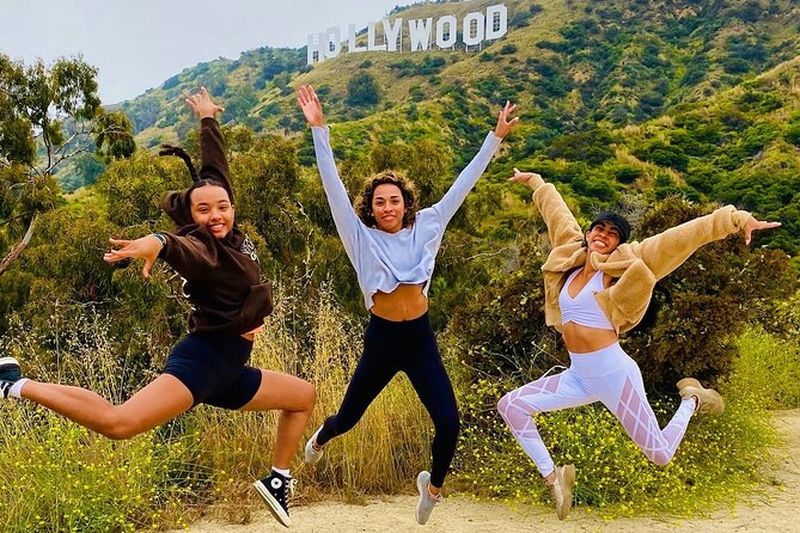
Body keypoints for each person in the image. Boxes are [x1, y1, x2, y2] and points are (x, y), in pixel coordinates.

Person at [0, 88, 315, 528]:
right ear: (191, 216)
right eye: (203, 210)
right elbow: (177, 246)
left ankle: (278, 480)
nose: (216, 215)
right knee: (119, 422)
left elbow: (214, 170)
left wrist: (207, 120)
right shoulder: (204, 248)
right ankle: (13, 385)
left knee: (302, 396)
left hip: (230, 371)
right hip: (203, 363)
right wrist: (157, 242)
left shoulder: (229, 232)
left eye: (222, 206)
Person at [497, 169, 781, 520]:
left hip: (615, 375)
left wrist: (735, 220)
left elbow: (681, 237)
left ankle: (692, 399)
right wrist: (538, 183)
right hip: (579, 375)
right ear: (589, 232)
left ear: (619, 243)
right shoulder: (569, 255)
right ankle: (554, 480)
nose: (603, 235)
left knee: (660, 455)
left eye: (613, 233)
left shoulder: (628, 263)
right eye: (599, 228)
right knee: (511, 406)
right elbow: (558, 214)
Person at [296, 84, 518, 525]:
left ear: (406, 203)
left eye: (394, 200)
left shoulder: (430, 224)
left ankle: (431, 489)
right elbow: (332, 187)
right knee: (348, 417)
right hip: (382, 340)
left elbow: (463, 184)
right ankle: (321, 438)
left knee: (449, 421)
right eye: (379, 202)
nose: (387, 207)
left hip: (419, 338)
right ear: (370, 207)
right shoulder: (359, 236)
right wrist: (319, 130)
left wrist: (495, 138)